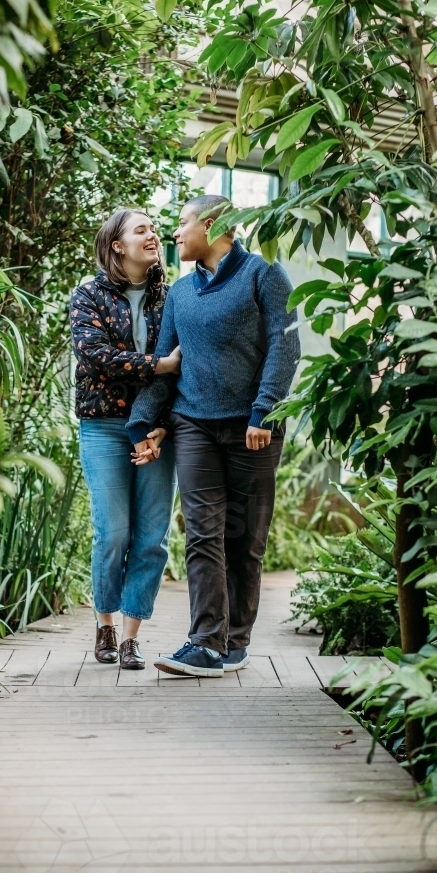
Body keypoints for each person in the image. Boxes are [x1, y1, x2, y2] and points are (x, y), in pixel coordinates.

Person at [126, 195, 300, 678]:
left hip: (252, 429)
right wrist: (143, 423)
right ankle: (204, 643)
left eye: (183, 224)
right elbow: (164, 368)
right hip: (194, 425)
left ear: (213, 224)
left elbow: (285, 350)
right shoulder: (181, 293)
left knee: (244, 538)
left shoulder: (264, 276)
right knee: (203, 535)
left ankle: (235, 641)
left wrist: (263, 413)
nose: (175, 234)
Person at [70, 209, 181, 670]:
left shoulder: (173, 297)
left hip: (158, 430)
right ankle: (105, 625)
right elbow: (94, 355)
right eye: (142, 230)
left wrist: (162, 425)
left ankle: (132, 636)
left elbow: (186, 366)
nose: (152, 235)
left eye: (153, 229)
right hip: (103, 427)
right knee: (112, 533)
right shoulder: (88, 294)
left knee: (152, 537)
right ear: (117, 245)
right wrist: (157, 365)